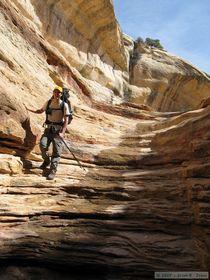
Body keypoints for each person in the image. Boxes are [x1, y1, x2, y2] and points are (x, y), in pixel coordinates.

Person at [26, 86, 70, 180]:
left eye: (59, 93)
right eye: (56, 92)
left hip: (58, 131)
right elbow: (40, 111)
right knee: (42, 145)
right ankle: (46, 161)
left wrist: (63, 132)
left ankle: (53, 170)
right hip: (48, 130)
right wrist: (29, 109)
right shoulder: (49, 102)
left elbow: (66, 120)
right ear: (53, 93)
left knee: (56, 152)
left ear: (61, 94)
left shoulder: (64, 105)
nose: (57, 94)